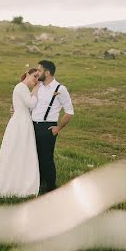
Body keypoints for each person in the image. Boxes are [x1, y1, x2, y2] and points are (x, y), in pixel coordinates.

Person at [0, 67, 41, 197]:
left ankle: (20, 179)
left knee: (21, 150)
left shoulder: (22, 88)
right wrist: (35, 92)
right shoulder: (21, 87)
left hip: (22, 121)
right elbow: (31, 104)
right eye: (34, 76)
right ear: (28, 74)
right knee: (17, 150)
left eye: (38, 78)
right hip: (20, 123)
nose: (36, 80)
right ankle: (15, 183)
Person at [32, 60, 74, 194]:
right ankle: (37, 184)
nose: (37, 72)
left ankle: (50, 188)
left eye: (39, 70)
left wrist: (57, 129)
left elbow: (69, 112)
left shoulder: (60, 89)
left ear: (47, 72)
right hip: (32, 126)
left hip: (48, 128)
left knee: (46, 159)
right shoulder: (38, 86)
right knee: (34, 157)